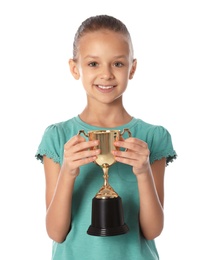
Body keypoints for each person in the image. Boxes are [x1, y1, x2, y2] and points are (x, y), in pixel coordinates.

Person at [35, 14, 177, 260]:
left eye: (118, 64)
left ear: (132, 68)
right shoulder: (58, 137)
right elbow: (56, 232)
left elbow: (153, 230)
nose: (106, 74)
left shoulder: (152, 137)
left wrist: (143, 171)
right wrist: (68, 170)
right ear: (74, 68)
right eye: (93, 64)